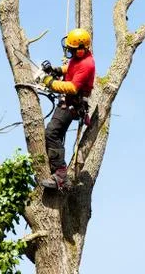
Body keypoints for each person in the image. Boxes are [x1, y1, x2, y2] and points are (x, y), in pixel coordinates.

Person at [40, 28, 95, 189]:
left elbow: (72, 87)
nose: (69, 51)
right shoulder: (80, 58)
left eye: (72, 49)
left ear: (81, 49)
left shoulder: (87, 64)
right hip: (67, 102)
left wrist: (50, 83)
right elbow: (70, 68)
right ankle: (55, 166)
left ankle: (61, 176)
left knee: (52, 133)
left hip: (72, 104)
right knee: (54, 135)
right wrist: (57, 70)